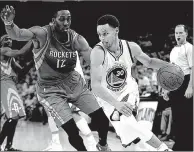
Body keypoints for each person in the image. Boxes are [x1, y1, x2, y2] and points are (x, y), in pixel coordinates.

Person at [1, 5, 110, 151]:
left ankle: (102, 145)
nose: (66, 23)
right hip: (50, 89)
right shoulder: (41, 33)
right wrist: (9, 23)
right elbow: (18, 34)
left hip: (73, 83)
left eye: (69, 19)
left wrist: (108, 69)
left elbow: (92, 59)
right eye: (62, 19)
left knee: (102, 120)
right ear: (53, 20)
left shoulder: (76, 38)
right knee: (72, 131)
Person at [90, 14, 173, 151]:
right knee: (128, 132)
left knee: (127, 122)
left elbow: (150, 62)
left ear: (116, 30)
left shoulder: (130, 47)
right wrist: (116, 104)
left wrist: (169, 66)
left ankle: (163, 149)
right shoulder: (98, 52)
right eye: (99, 35)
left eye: (105, 34)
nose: (102, 38)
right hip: (108, 98)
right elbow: (95, 86)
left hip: (128, 90)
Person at [0, 34, 34, 151]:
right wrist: (32, 40)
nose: (9, 40)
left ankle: (8, 146)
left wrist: (33, 61)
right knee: (13, 116)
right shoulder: (3, 50)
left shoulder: (10, 58)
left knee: (15, 116)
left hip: (10, 85)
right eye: (6, 39)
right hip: (4, 84)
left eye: (10, 39)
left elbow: (22, 71)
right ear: (1, 42)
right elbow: (21, 52)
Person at [165, 24, 193, 151]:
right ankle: (180, 143)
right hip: (175, 83)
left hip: (186, 81)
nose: (178, 35)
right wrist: (167, 88)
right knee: (176, 115)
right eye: (176, 33)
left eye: (181, 33)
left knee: (186, 115)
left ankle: (187, 145)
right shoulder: (173, 50)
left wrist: (190, 87)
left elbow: (193, 69)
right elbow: (171, 70)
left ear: (186, 34)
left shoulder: (190, 48)